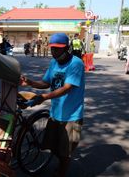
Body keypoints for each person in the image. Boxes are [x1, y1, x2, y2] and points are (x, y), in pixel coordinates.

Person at [20, 33, 85, 177]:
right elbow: (46, 83)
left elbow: (67, 88)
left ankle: (61, 172)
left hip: (72, 116)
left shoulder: (76, 63)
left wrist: (43, 97)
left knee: (65, 153)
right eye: (52, 49)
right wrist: (30, 82)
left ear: (67, 48)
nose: (54, 52)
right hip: (56, 113)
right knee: (54, 148)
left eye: (58, 49)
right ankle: (59, 167)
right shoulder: (54, 63)